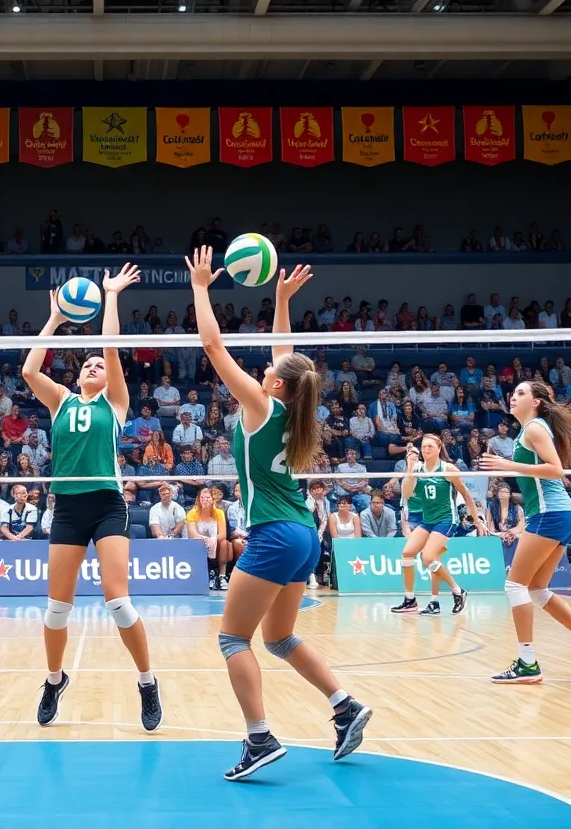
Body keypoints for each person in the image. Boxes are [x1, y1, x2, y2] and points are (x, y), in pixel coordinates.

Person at [186, 246, 370, 781]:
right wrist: (282, 300)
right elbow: (288, 355)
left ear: (274, 384)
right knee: (280, 638)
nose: (263, 368)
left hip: (275, 533)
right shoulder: (297, 407)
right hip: (304, 535)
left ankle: (259, 737)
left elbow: (213, 344)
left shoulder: (261, 405)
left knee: (232, 639)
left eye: (268, 370)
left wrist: (200, 287)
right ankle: (345, 706)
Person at [21, 263, 162, 732]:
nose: (94, 366)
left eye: (99, 365)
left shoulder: (114, 403)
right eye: (87, 364)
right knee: (56, 608)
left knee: (117, 601)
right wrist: (56, 319)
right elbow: (28, 369)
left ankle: (146, 681)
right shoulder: (60, 399)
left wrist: (111, 294)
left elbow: (111, 347)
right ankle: (54, 679)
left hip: (106, 503)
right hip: (67, 506)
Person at [480, 381, 571, 684]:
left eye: (521, 393)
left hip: (551, 514)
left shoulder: (534, 429)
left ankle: (527, 663)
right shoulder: (528, 431)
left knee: (515, 585)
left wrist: (506, 464)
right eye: (512, 393)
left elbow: (556, 470)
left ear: (537, 402)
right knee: (537, 589)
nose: (513, 396)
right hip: (558, 514)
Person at [391, 434, 483, 616]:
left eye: (430, 447)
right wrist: (409, 468)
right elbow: (407, 492)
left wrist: (477, 520)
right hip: (428, 520)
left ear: (439, 449)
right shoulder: (417, 469)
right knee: (407, 554)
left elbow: (466, 495)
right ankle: (410, 600)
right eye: (423, 447)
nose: (425, 450)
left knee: (428, 557)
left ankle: (458, 591)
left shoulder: (448, 469)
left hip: (447, 520)